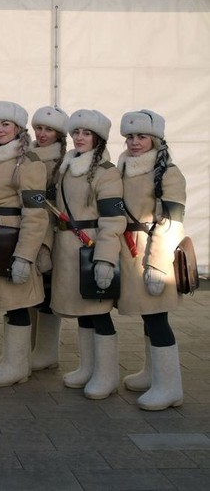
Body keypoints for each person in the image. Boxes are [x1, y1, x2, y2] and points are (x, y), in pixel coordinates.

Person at [51, 109, 125, 400]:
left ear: (98, 138)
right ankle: (87, 367)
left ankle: (107, 375)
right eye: (76, 133)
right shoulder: (67, 166)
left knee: (99, 312)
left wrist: (105, 258)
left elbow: (112, 220)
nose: (79, 138)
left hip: (91, 247)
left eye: (86, 133)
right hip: (67, 248)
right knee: (83, 310)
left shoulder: (107, 173)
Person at [0, 101, 48, 388]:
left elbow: (36, 213)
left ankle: (18, 365)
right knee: (8, 301)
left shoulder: (28, 162)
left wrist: (25, 255)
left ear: (18, 127)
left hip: (13, 240)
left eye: (5, 124)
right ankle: (12, 356)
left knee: (18, 302)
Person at [117, 109, 185, 410]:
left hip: (154, 253)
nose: (134, 142)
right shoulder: (123, 168)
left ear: (155, 139)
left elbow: (172, 222)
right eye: (130, 136)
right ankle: (152, 373)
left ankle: (170, 386)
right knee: (148, 315)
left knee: (157, 317)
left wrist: (157, 265)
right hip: (130, 250)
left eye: (141, 136)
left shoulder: (169, 173)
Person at [27, 106, 69, 371]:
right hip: (27, 230)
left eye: (48, 129)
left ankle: (45, 351)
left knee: (47, 291)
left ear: (59, 133)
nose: (42, 134)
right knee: (28, 291)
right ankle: (27, 349)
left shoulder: (62, 163)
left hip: (51, 235)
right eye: (39, 128)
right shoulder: (26, 156)